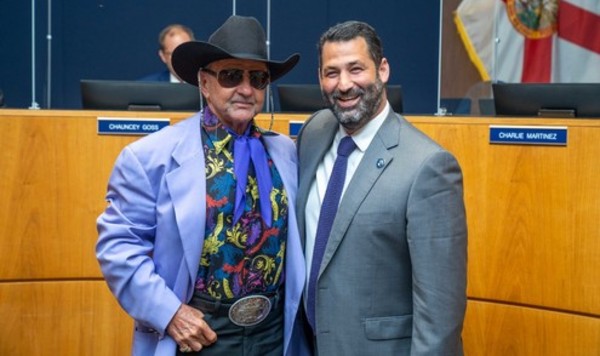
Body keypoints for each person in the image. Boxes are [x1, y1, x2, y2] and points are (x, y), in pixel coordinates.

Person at [97, 15, 310, 356]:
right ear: (204, 83)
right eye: (230, 75)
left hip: (274, 335)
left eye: (257, 78)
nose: (245, 89)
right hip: (197, 334)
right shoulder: (149, 157)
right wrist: (170, 314)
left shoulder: (287, 152)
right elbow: (118, 249)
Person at [296, 20, 468, 355]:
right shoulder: (313, 133)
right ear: (319, 78)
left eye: (356, 69)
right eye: (331, 72)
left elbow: (440, 312)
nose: (344, 84)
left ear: (383, 69)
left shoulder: (428, 166)